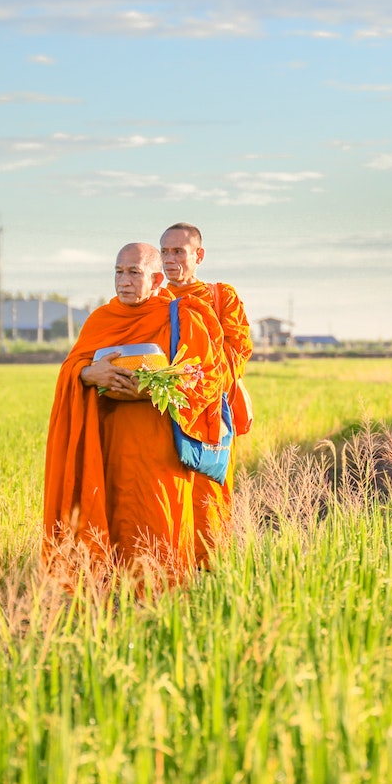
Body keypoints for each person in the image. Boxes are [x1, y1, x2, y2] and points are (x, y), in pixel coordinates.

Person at [43, 242, 227, 588]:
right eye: (118, 272)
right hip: (107, 448)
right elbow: (73, 366)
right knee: (109, 522)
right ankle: (108, 603)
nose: (123, 281)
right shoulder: (101, 319)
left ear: (157, 279)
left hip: (161, 452)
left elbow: (206, 378)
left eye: (133, 273)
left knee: (158, 526)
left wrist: (153, 389)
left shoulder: (184, 316)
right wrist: (87, 374)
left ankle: (163, 607)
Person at [159, 222, 253, 567]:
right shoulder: (154, 298)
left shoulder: (220, 296)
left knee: (208, 498)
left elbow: (237, 354)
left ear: (198, 255)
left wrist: (192, 380)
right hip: (161, 415)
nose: (170, 259)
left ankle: (210, 571)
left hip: (210, 416)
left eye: (178, 251)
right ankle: (170, 569)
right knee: (167, 497)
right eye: (165, 252)